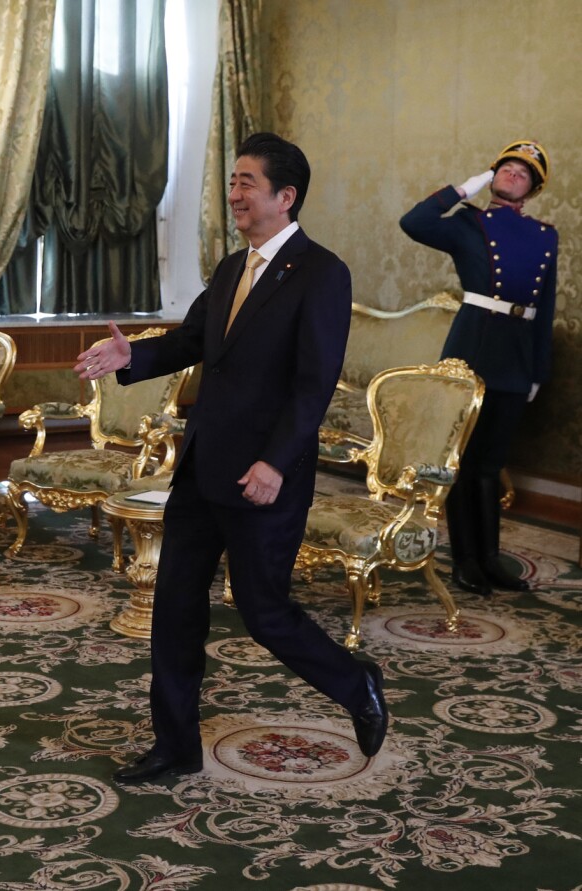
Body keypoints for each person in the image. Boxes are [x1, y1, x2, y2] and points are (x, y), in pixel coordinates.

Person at [75, 132, 388, 784]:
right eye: (234, 180)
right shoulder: (230, 267)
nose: (235, 192)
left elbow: (313, 383)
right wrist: (133, 356)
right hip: (202, 469)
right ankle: (174, 745)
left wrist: (276, 461)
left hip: (263, 479)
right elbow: (192, 340)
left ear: (286, 195)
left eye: (247, 181)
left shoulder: (323, 274)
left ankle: (355, 681)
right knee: (175, 607)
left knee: (265, 613)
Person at [399, 141, 555, 598]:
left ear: (532, 189)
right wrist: (469, 187)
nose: (511, 174)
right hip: (472, 347)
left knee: (491, 463)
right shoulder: (469, 222)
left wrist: (537, 372)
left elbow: (543, 310)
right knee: (462, 463)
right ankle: (465, 561)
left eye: (521, 173)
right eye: (504, 168)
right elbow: (414, 222)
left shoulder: (546, 235)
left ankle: (490, 560)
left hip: (516, 356)